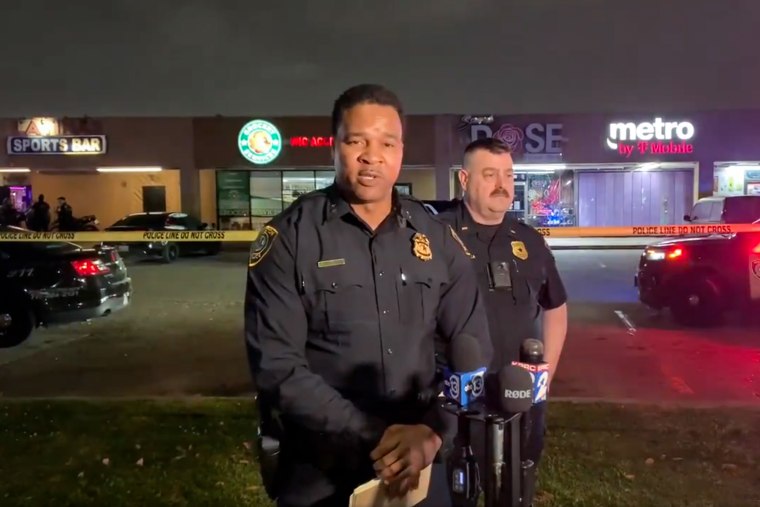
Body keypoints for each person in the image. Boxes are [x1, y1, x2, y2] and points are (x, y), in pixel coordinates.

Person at [244, 84, 492, 507]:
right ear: (334, 146)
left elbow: (473, 346)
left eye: (387, 143)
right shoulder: (290, 238)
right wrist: (380, 437)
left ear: (400, 151)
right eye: (356, 140)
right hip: (321, 471)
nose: (371, 155)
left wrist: (434, 431)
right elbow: (276, 366)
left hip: (422, 466)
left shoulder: (437, 238)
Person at [437, 137, 569, 506]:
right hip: (456, 400)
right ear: (464, 180)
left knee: (516, 492)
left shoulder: (529, 240)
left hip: (521, 396)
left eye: (508, 174)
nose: (502, 184)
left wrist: (547, 374)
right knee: (455, 492)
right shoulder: (436, 237)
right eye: (489, 174)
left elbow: (556, 307)